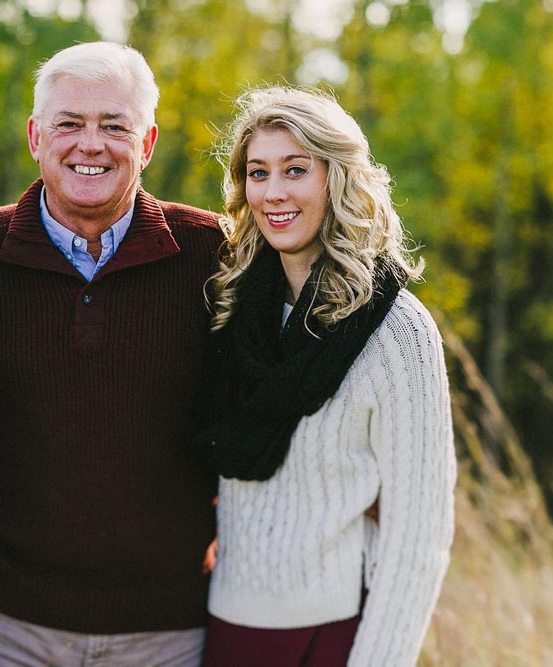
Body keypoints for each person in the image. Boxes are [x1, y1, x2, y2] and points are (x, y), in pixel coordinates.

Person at [0, 42, 223, 665]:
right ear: (35, 137)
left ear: (148, 142)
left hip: (167, 633)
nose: (90, 144)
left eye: (114, 126)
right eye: (69, 124)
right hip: (3, 627)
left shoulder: (217, 256)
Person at [195, 87, 455, 666]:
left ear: (336, 178)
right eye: (258, 173)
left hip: (334, 632)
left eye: (296, 169)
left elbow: (419, 535)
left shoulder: (397, 332)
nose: (274, 192)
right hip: (227, 625)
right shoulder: (232, 309)